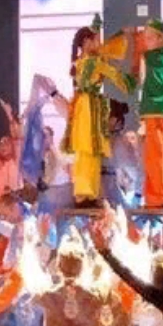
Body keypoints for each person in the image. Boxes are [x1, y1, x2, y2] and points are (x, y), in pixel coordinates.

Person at [63, 19, 135, 207]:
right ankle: (86, 194)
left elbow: (106, 50)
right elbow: (112, 72)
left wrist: (121, 34)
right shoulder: (92, 62)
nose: (98, 43)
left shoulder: (82, 61)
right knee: (89, 151)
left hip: (85, 107)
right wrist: (130, 82)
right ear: (86, 42)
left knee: (87, 152)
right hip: (88, 108)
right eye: (95, 40)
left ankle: (86, 194)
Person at [136, 19, 163, 209]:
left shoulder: (154, 57)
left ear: (161, 38)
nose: (146, 41)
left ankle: (156, 198)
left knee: (156, 156)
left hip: (155, 111)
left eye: (149, 38)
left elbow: (148, 76)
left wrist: (134, 40)